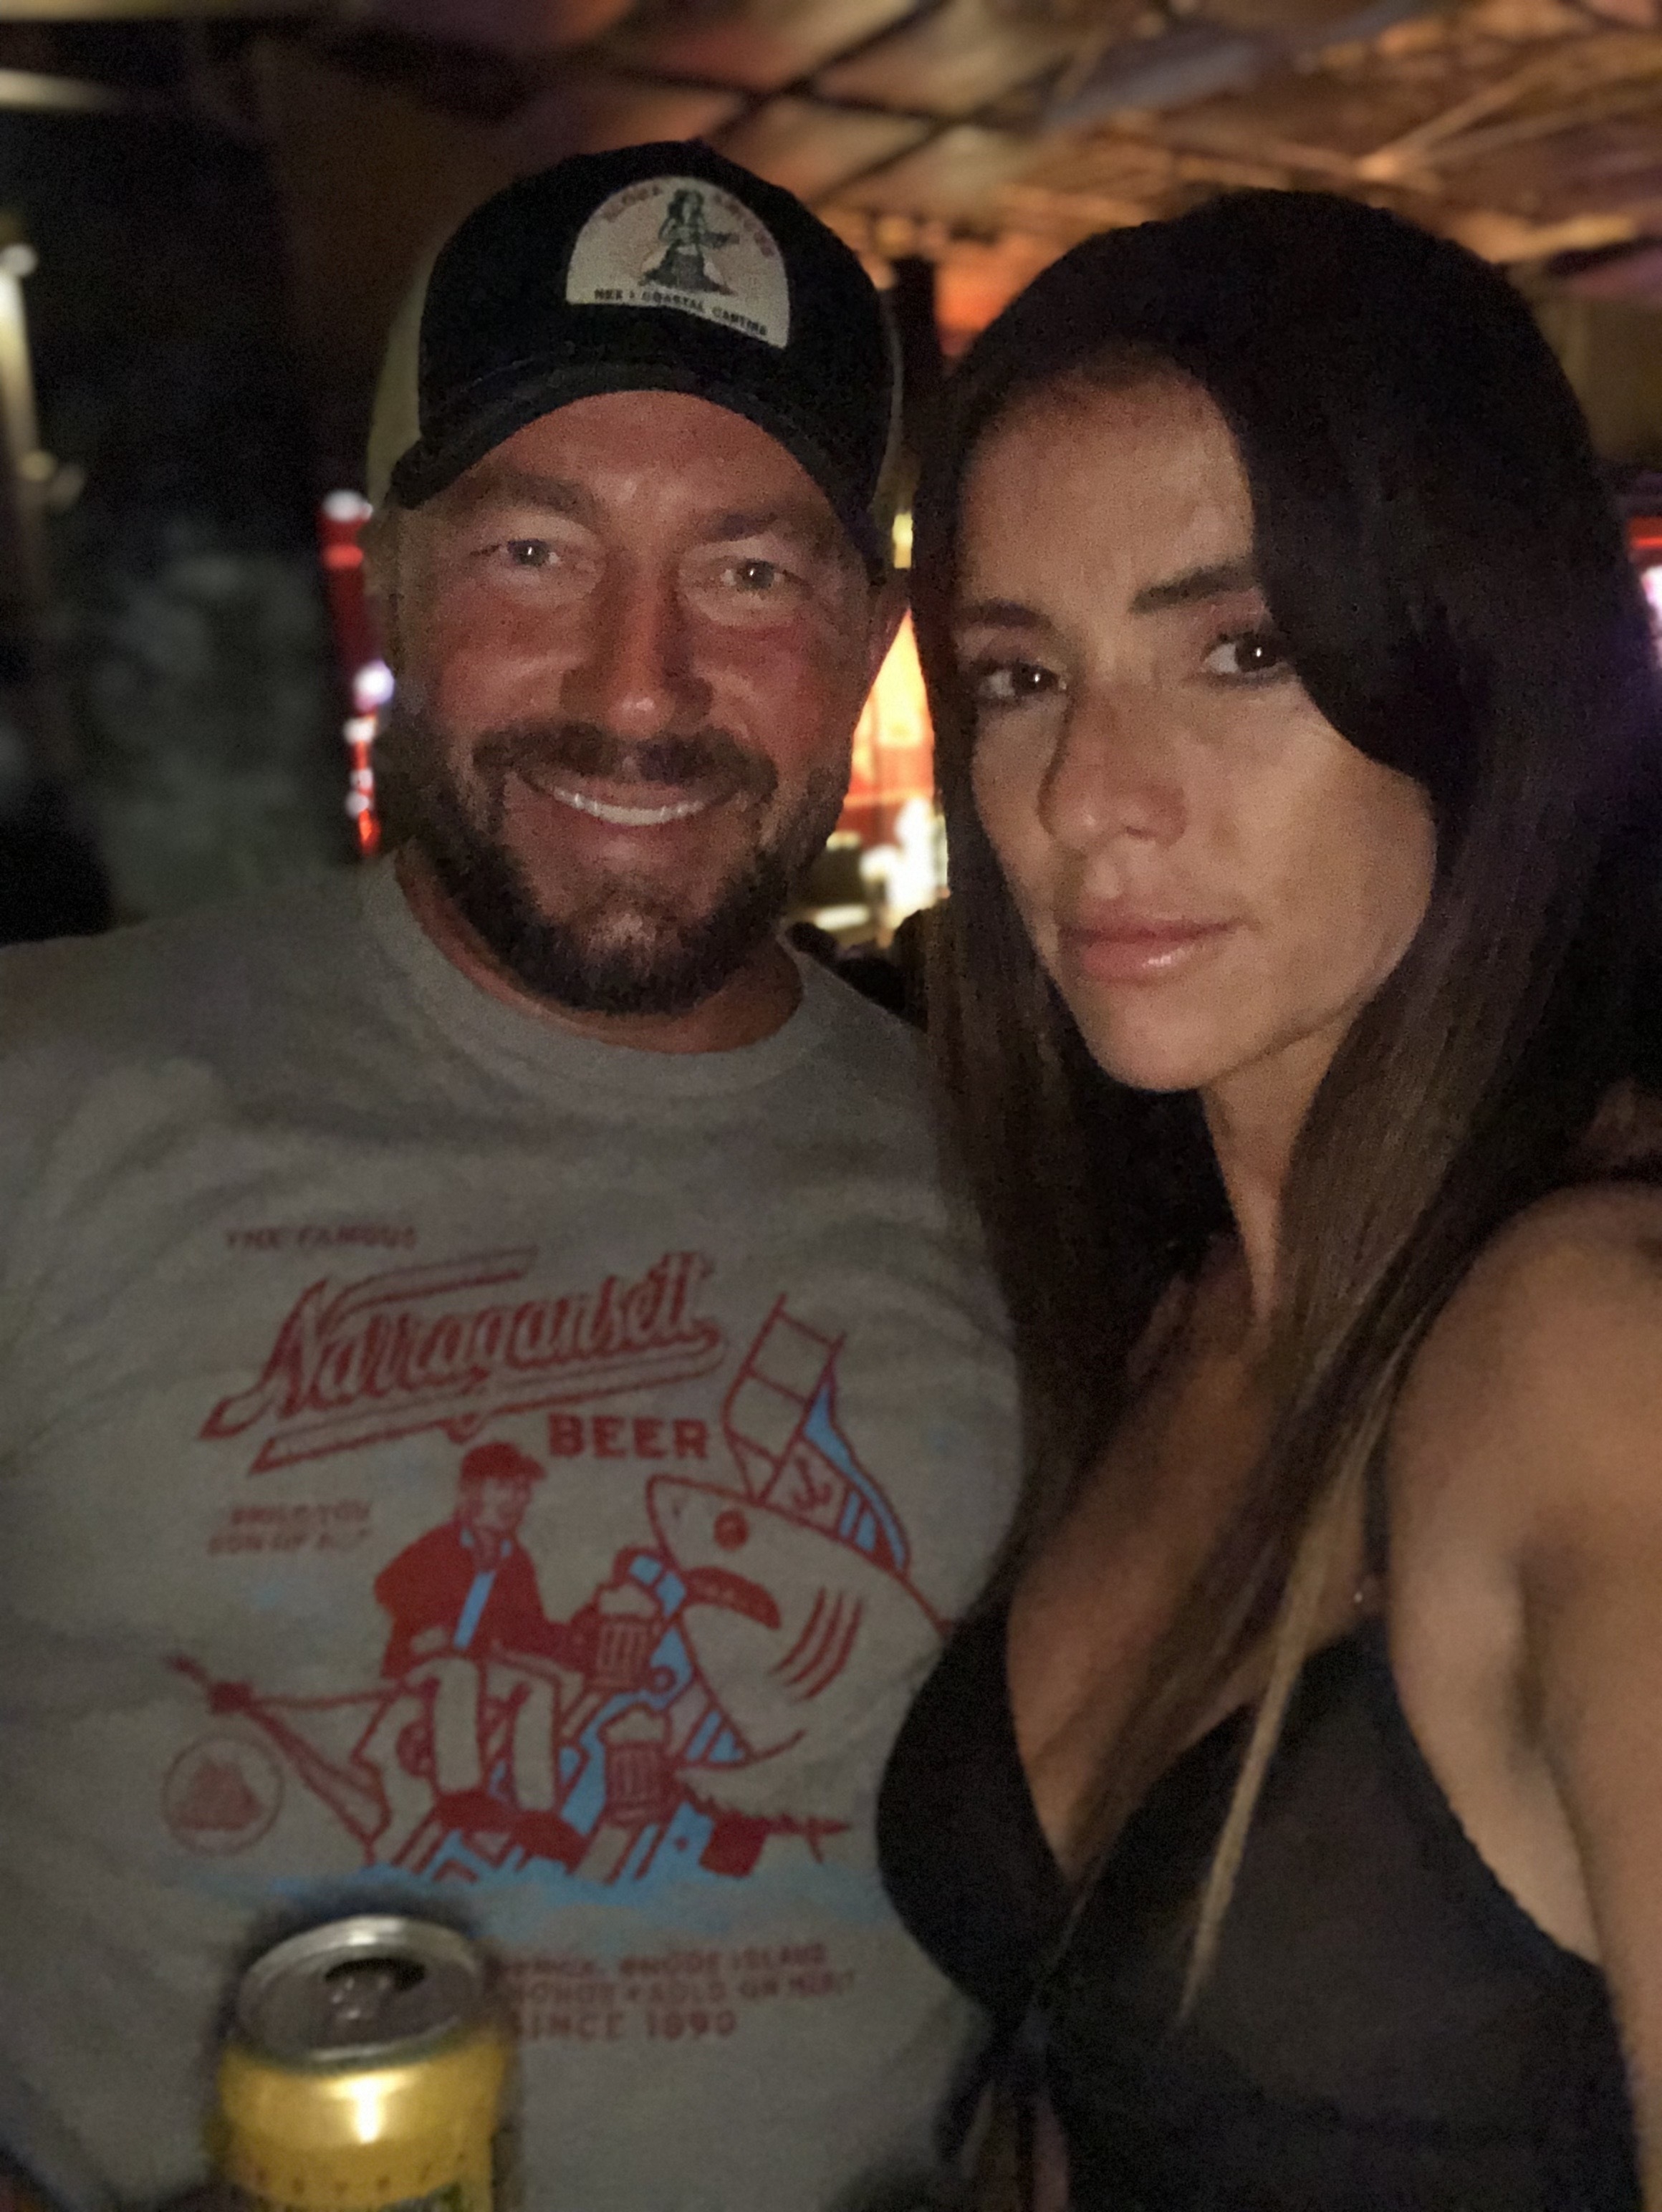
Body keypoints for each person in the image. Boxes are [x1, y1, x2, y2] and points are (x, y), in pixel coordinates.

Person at [0, 143, 1019, 2212]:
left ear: (869, 636)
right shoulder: (38, 1092)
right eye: (539, 553)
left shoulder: (1035, 1183)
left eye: (752, 575)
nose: (640, 689)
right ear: (392, 575)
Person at [877, 188, 1662, 2211]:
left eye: (1241, 651)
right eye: (1019, 676)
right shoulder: (1177, 1308)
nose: (1085, 798)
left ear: (1473, 678)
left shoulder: (1594, 1363)